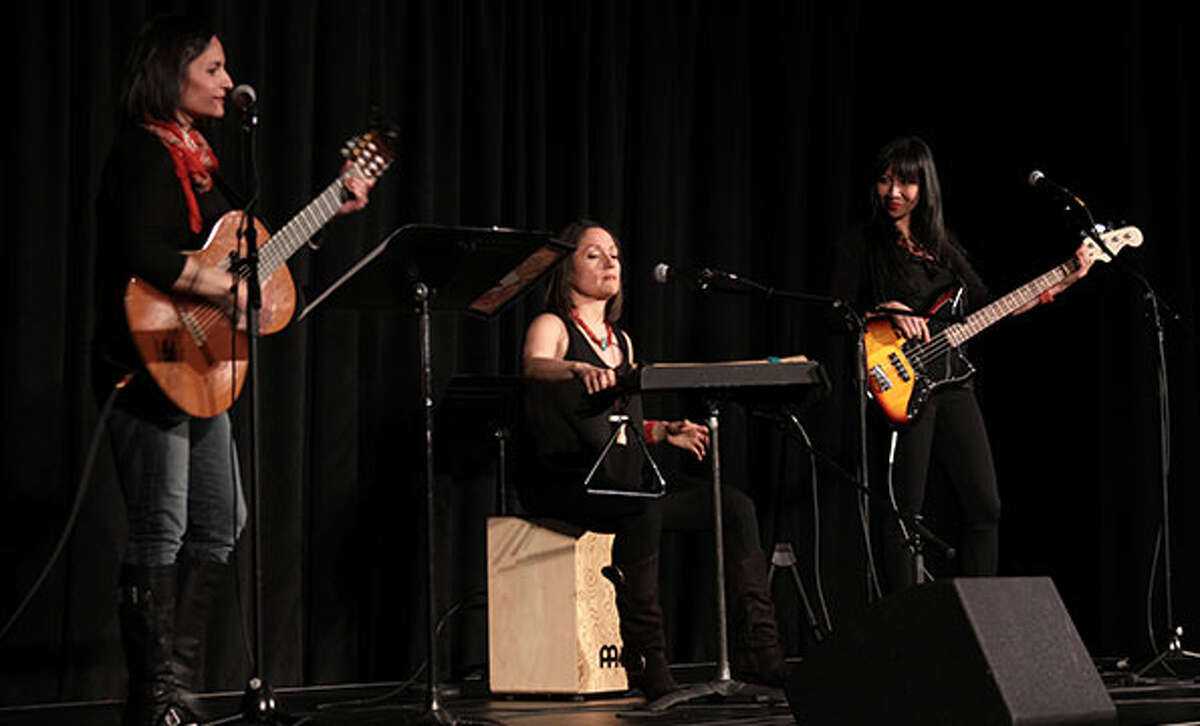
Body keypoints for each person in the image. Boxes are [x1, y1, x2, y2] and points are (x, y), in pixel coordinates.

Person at [92, 16, 371, 726]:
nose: (226, 82)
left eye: (224, 71)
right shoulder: (144, 152)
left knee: (220, 520)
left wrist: (334, 202)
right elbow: (142, 250)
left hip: (200, 366)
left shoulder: (204, 160)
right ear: (173, 70)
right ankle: (152, 701)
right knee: (163, 524)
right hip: (150, 361)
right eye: (213, 69)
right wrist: (225, 291)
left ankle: (178, 690)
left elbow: (249, 257)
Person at [518, 220, 786, 701]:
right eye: (594, 255)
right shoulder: (553, 325)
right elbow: (534, 365)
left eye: (615, 254)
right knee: (645, 507)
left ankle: (762, 655)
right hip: (571, 481)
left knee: (735, 506)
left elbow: (616, 426)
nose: (610, 263)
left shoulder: (622, 341)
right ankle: (648, 661)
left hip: (625, 477)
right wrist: (576, 367)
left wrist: (663, 431)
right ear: (567, 267)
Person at [836, 136, 1092, 591]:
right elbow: (837, 310)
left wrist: (1067, 277)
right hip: (901, 380)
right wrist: (886, 310)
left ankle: (980, 621)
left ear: (924, 186)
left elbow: (991, 306)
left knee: (985, 505)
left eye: (905, 182)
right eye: (884, 180)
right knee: (904, 511)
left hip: (953, 382)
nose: (893, 192)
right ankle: (904, 629)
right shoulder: (864, 242)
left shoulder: (941, 245)